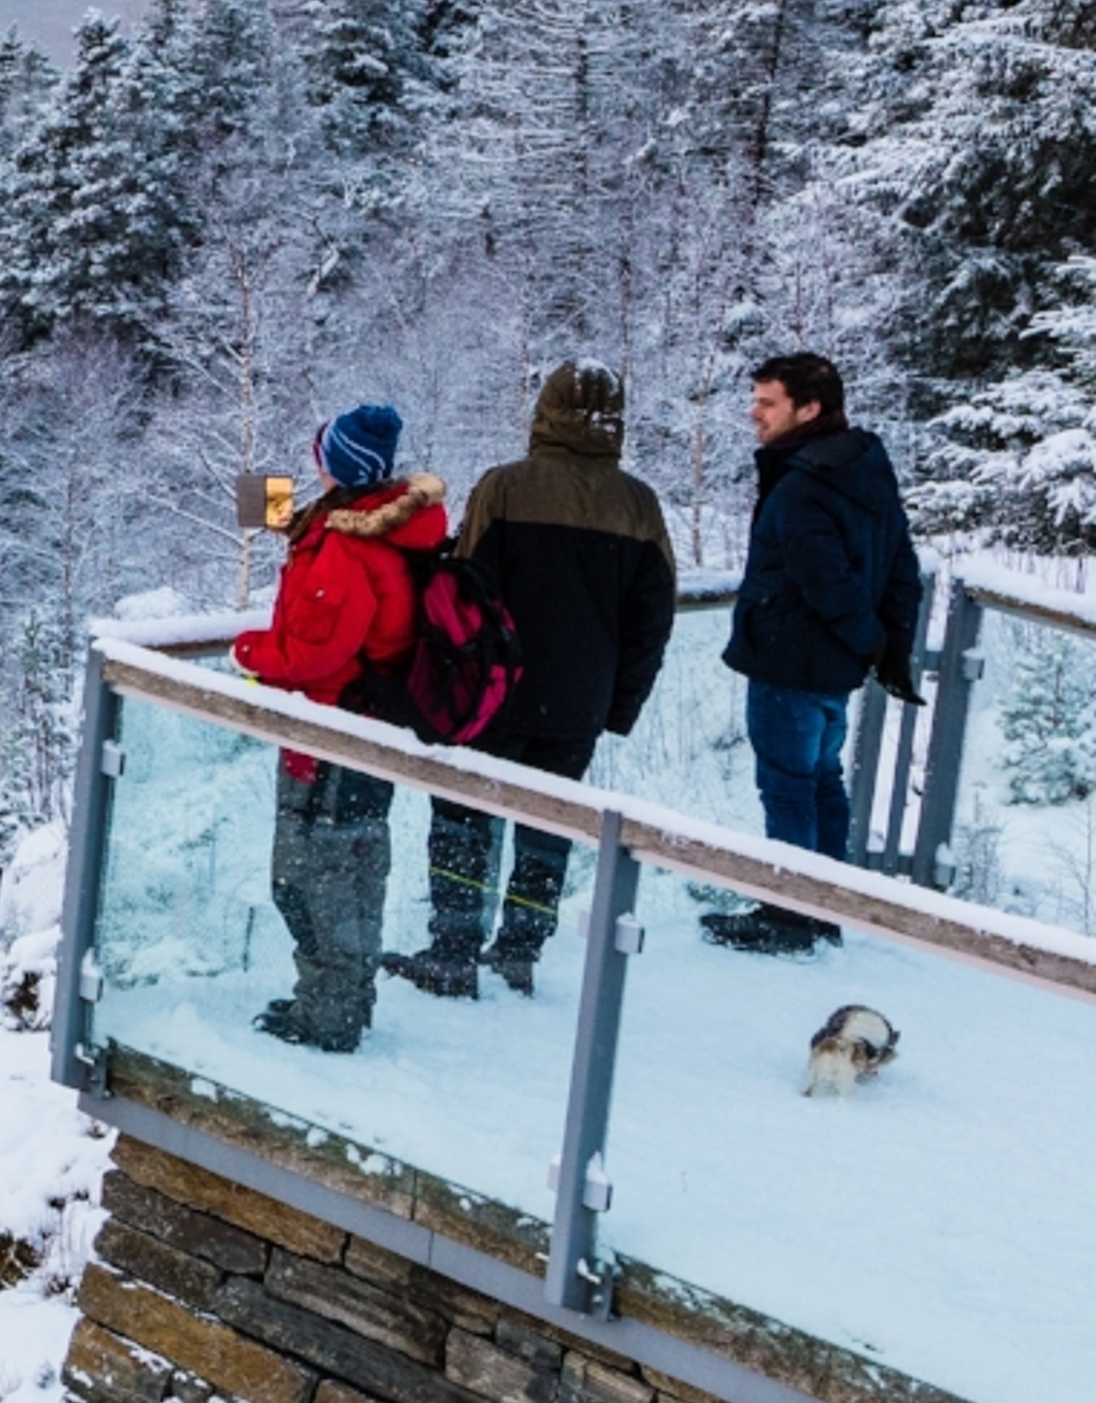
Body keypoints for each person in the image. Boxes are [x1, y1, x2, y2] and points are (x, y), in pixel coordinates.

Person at [383, 364, 676, 1000]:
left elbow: (462, 590)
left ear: (544, 411)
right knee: (548, 824)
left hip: (495, 691)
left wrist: (441, 689)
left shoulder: (505, 488)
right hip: (580, 702)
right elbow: (653, 619)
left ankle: (453, 949)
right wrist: (617, 705)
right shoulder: (639, 504)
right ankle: (518, 951)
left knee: (463, 814)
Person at [234, 403, 444, 1052]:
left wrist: (249, 651)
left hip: (329, 736)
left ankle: (326, 1019)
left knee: (307, 879)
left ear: (340, 466)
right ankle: (342, 1003)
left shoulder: (348, 548)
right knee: (354, 869)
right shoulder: (387, 528)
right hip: (367, 729)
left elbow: (313, 652)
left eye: (321, 454)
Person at [715, 350, 921, 953]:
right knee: (822, 781)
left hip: (789, 658)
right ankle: (822, 908)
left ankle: (787, 915)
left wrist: (871, 641)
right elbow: (900, 567)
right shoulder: (863, 466)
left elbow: (823, 579)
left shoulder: (805, 485)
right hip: (831, 667)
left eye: (767, 402)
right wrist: (881, 647)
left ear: (809, 409)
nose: (754, 413)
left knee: (788, 786)